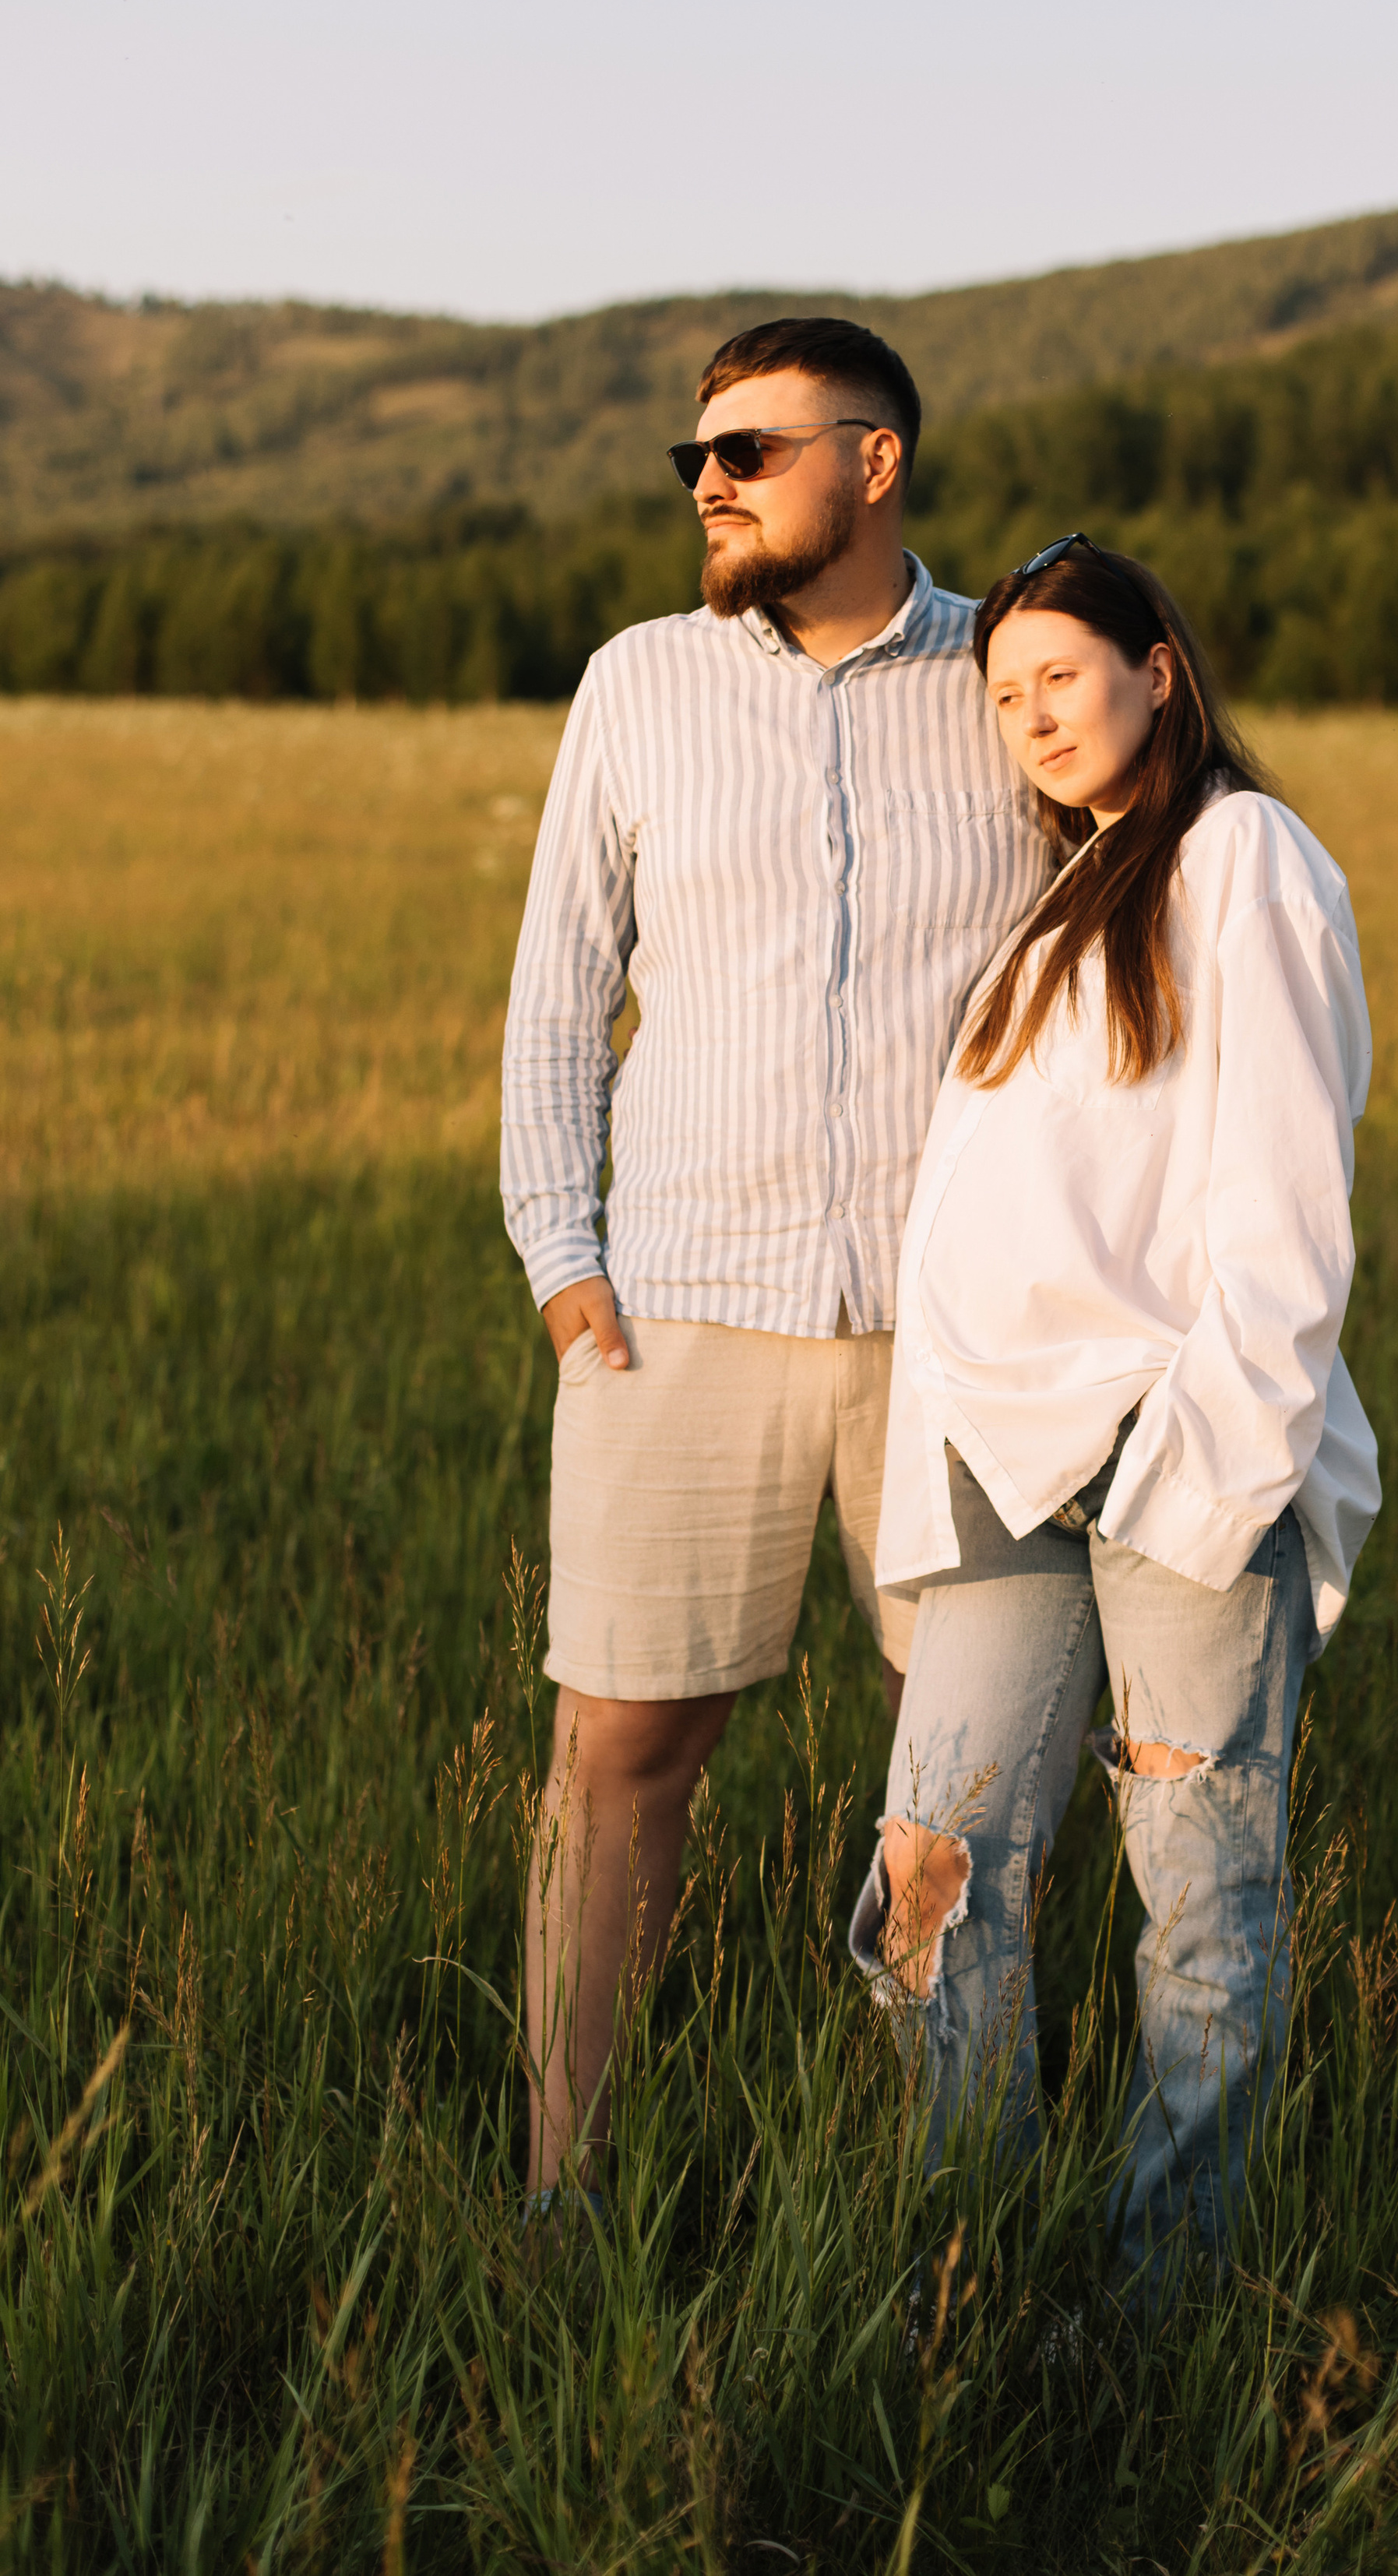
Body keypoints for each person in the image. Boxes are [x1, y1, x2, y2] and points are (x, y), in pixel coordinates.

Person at [500, 318, 1048, 2192]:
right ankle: (562, 2193)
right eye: (696, 457)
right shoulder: (637, 683)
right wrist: (560, 1256)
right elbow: (559, 998)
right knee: (620, 1749)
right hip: (673, 1314)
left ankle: (954, 2191)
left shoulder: (999, 674)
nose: (707, 483)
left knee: (954, 1770)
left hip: (949, 1331)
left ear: (873, 459)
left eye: (747, 449)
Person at [849, 531, 1379, 2282]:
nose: (1031, 716)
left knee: (1200, 1904)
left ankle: (1169, 2303)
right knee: (931, 1873)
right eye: (1004, 694)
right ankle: (968, 2266)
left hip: (1169, 1450)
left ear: (1158, 668)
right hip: (997, 1455)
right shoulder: (1062, 893)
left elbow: (1286, 1207)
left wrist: (1208, 1475)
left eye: (1060, 675)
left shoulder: (1241, 856)